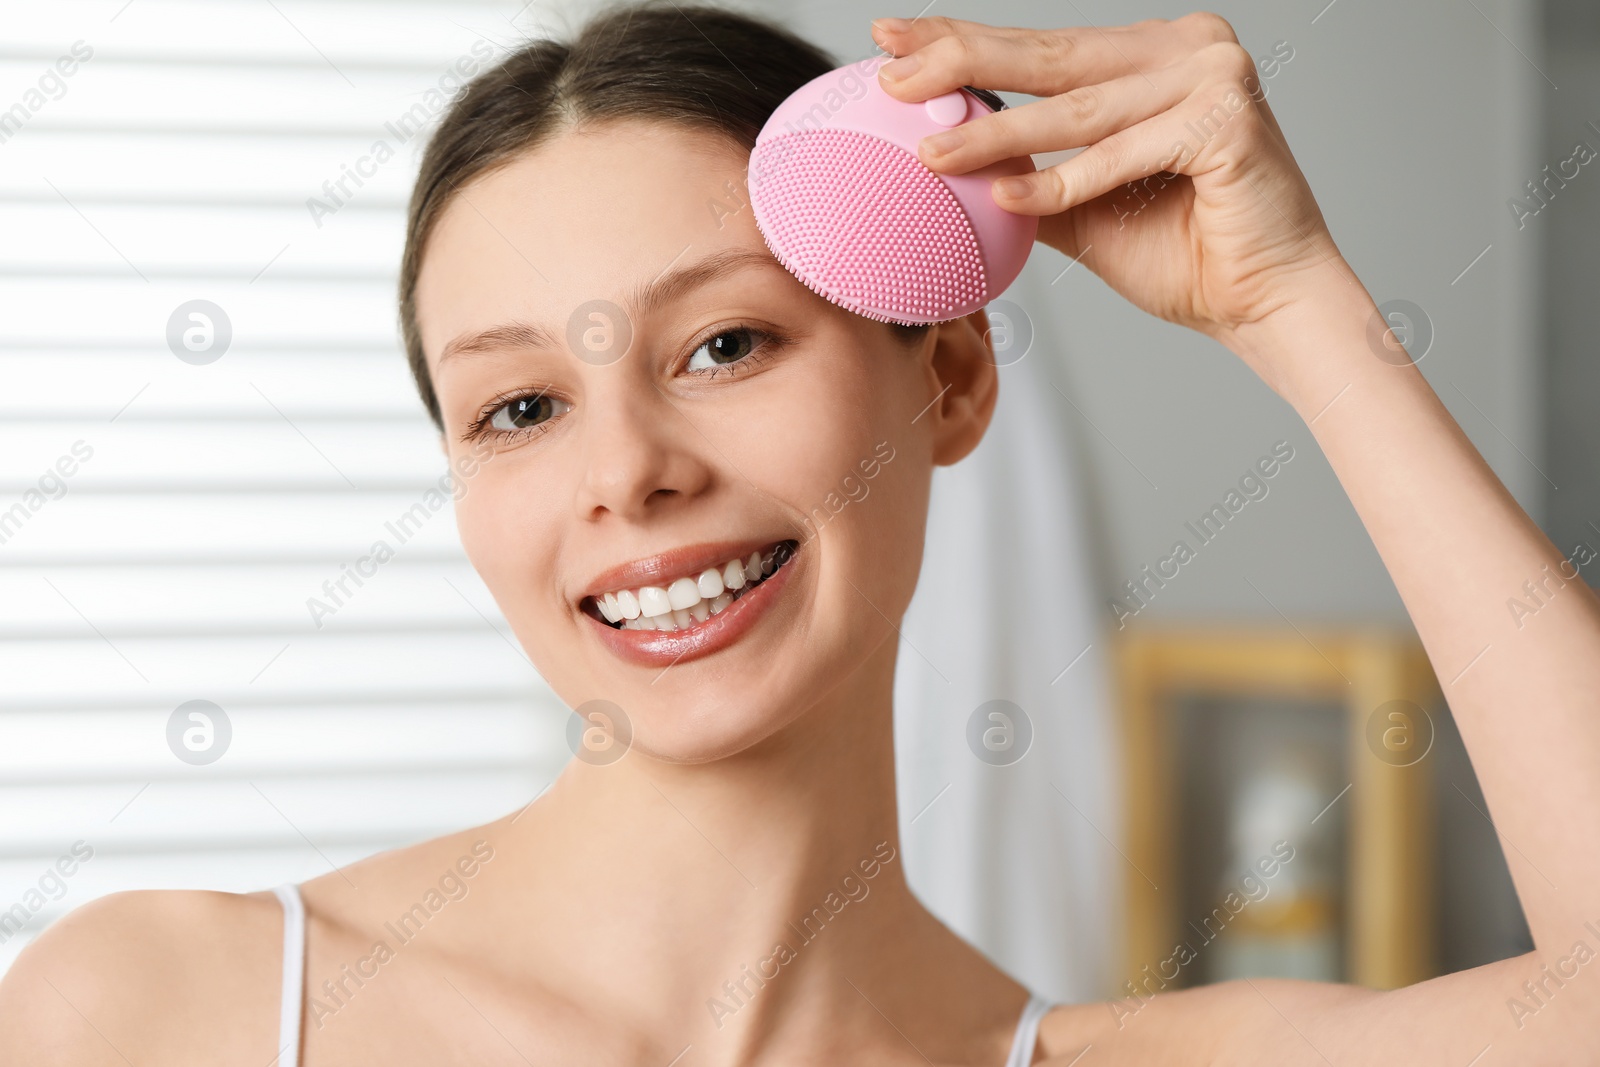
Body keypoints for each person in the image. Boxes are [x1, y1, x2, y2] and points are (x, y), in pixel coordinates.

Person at [4, 3, 1597, 1064]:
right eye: (519, 409)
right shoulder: (167, 1012)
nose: (624, 474)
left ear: (952, 379)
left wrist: (1296, 308)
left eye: (724, 347)